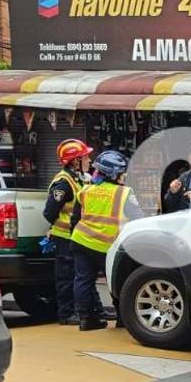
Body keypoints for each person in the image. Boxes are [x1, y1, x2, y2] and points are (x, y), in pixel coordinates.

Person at [70, 150, 146, 331]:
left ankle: (86, 320)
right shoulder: (124, 193)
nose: (124, 176)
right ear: (114, 173)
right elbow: (139, 219)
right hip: (108, 246)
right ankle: (123, 318)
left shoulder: (86, 190)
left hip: (81, 241)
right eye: (122, 172)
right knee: (119, 280)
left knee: (83, 280)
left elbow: (74, 219)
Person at [41, 139, 91, 325]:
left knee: (79, 275)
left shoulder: (79, 178)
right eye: (85, 156)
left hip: (76, 236)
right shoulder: (63, 183)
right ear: (75, 161)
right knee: (66, 277)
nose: (89, 160)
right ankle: (66, 313)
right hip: (64, 237)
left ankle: (79, 311)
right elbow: (49, 212)